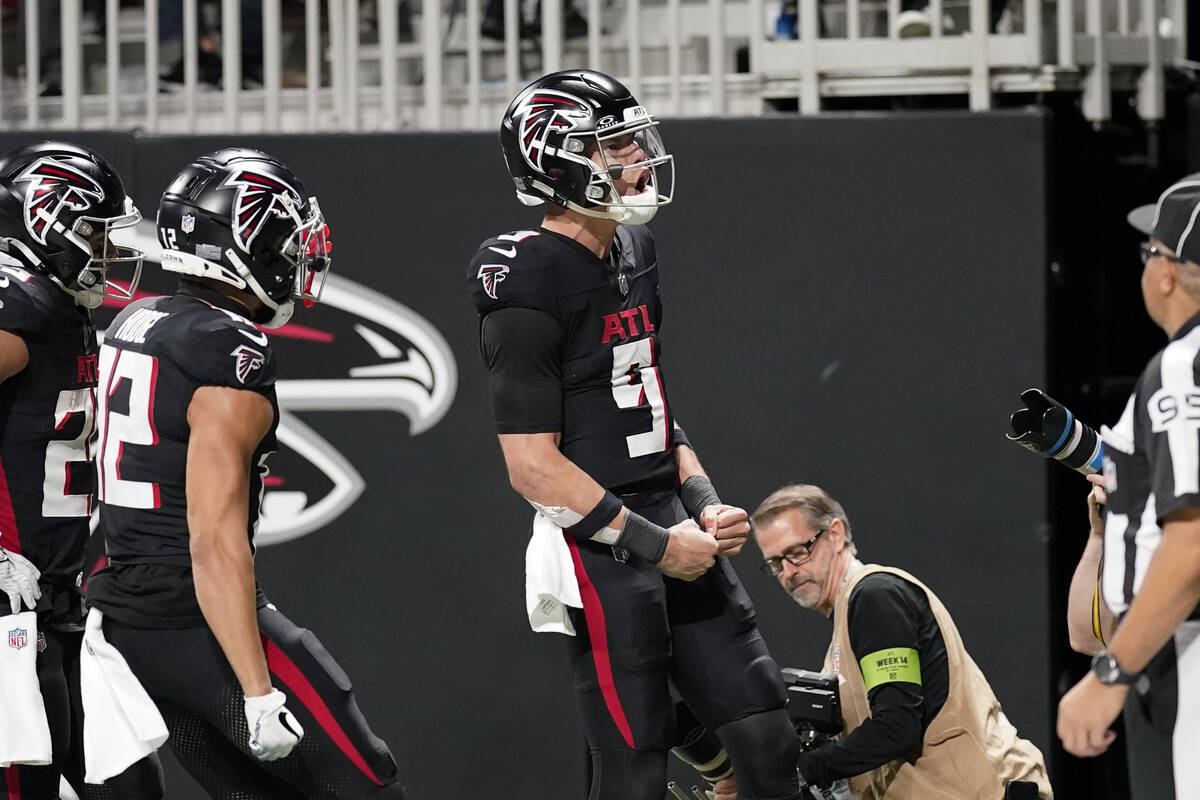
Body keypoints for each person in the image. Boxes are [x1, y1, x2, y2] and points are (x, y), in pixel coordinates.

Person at [467, 69, 802, 800]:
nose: (640, 158)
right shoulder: (527, 276)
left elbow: (649, 405)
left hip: (672, 516)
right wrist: (656, 544)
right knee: (635, 770)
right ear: (558, 163)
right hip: (601, 543)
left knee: (768, 738)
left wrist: (703, 500)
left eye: (635, 141)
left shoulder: (634, 248)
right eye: (615, 147)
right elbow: (530, 466)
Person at [84, 147, 406, 799]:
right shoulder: (226, 348)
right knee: (369, 787)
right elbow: (213, 541)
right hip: (196, 625)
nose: (298, 256)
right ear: (241, 244)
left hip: (126, 624)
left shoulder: (135, 319)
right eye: (286, 239)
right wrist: (258, 692)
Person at [0, 141, 162, 799]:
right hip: (12, 614)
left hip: (57, 607)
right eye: (96, 232)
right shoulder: (22, 305)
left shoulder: (55, 304)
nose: (108, 250)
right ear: (47, 222)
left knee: (130, 785)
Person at [749, 483, 1052, 800]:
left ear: (835, 534)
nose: (788, 572)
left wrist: (801, 770)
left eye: (797, 552)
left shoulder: (874, 597)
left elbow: (896, 726)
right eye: (775, 564)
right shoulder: (847, 622)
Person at [1057, 174, 1200, 799]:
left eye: (1149, 251)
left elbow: (1192, 543)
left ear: (1167, 272)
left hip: (1186, 654)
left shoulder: (1185, 366)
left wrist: (1111, 674)